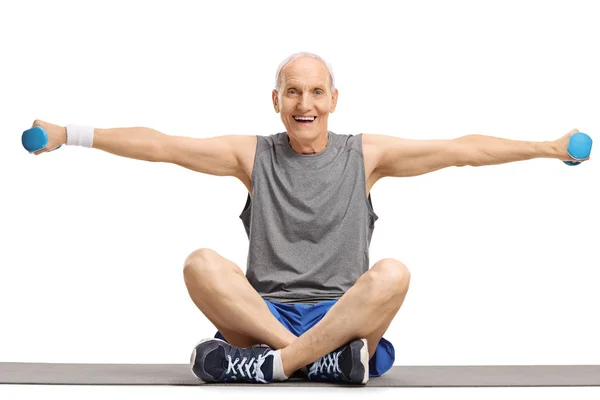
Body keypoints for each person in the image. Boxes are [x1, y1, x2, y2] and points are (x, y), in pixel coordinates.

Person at [28, 51, 588, 385]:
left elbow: (461, 148)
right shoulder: (252, 155)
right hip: (264, 314)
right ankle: (310, 363)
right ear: (276, 100)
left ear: (334, 99)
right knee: (200, 263)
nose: (305, 104)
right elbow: (164, 145)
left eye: (316, 92)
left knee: (393, 272)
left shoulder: (366, 155)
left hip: (346, 320)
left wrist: (548, 146)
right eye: (293, 92)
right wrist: (68, 135)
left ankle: (273, 366)